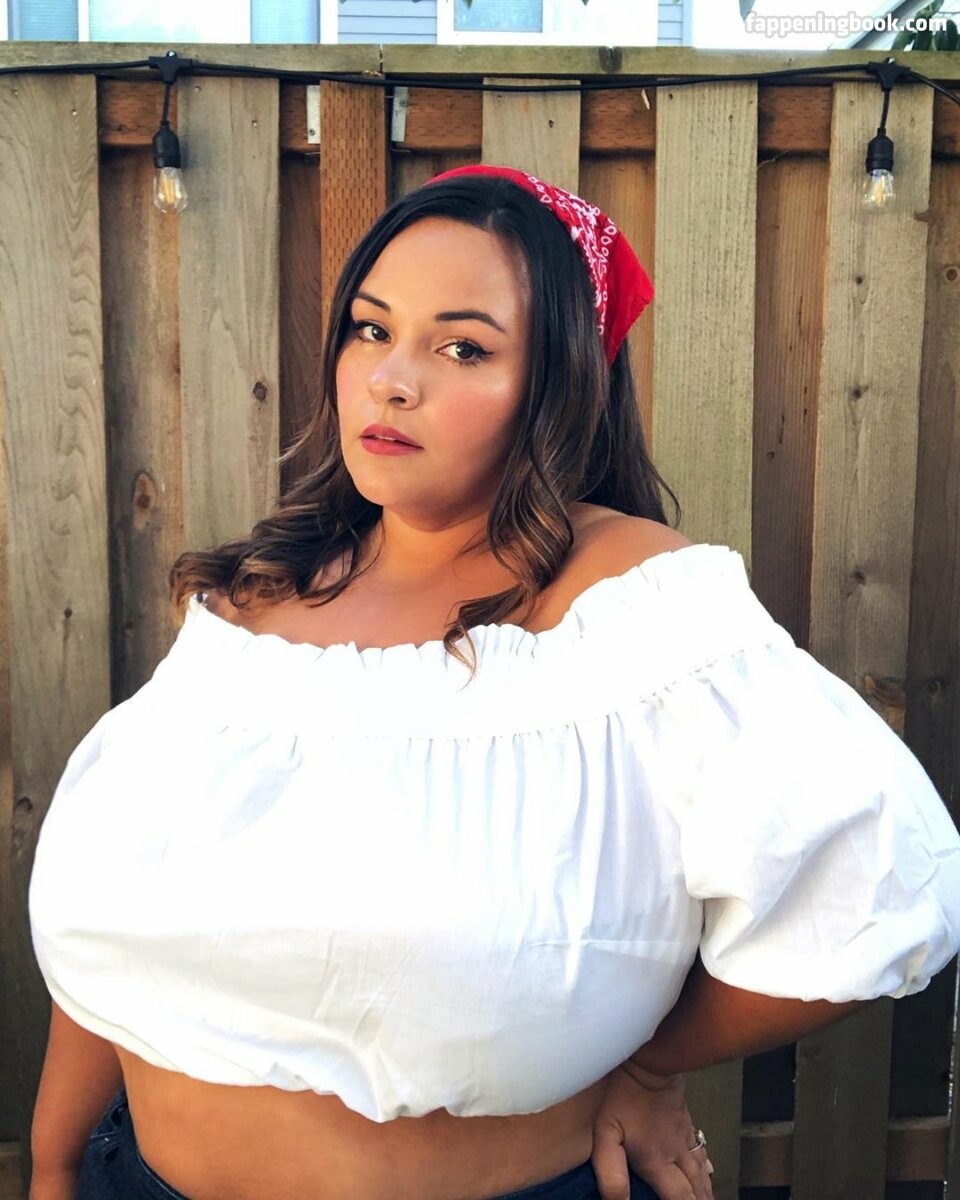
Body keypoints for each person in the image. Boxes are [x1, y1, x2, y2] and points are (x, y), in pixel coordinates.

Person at [26, 164, 960, 1200]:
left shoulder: (634, 607)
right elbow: (111, 926)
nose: (392, 380)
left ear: (559, 385)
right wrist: (56, 1163)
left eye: (463, 347)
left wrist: (649, 1066)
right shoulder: (249, 606)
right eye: (371, 330)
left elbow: (874, 885)